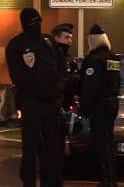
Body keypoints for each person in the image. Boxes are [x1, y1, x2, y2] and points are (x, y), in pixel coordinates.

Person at [6, 8, 63, 187]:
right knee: (30, 151)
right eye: (33, 23)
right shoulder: (16, 45)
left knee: (53, 150)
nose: (37, 26)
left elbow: (62, 69)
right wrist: (40, 91)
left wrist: (56, 90)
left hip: (51, 104)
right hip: (31, 104)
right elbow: (18, 76)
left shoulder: (49, 42)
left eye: (39, 21)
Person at [79, 25, 120, 186]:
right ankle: (111, 178)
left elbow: (90, 87)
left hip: (99, 107)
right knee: (109, 144)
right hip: (112, 104)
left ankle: (106, 180)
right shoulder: (113, 58)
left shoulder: (94, 60)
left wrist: (84, 107)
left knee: (101, 145)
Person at [51, 23, 77, 111]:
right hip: (53, 101)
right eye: (67, 37)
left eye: (71, 38)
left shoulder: (69, 58)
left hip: (67, 101)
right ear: (56, 38)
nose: (70, 41)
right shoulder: (51, 56)